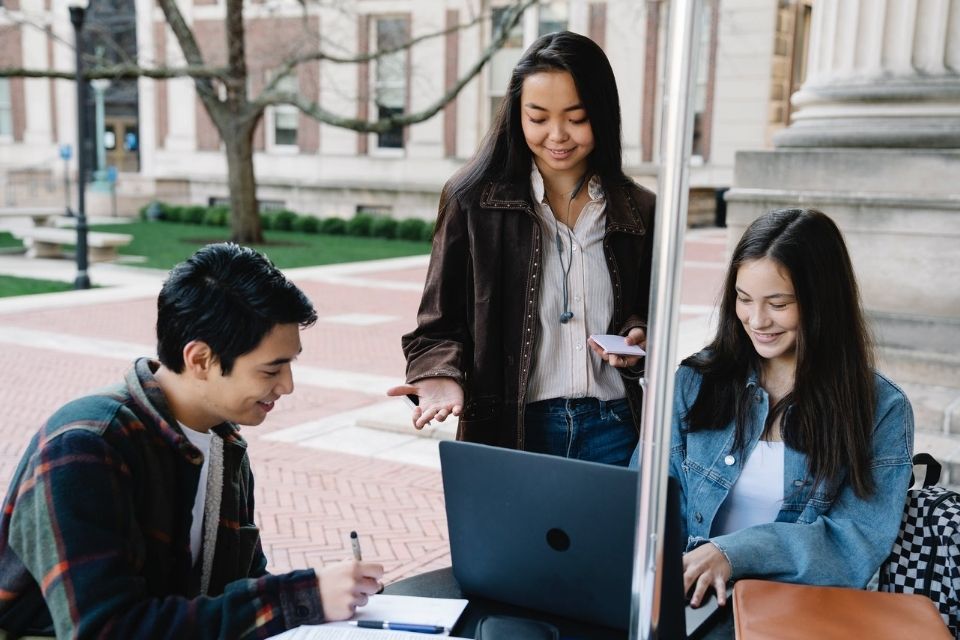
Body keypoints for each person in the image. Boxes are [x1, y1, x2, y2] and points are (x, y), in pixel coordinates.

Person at [0, 243, 384, 638]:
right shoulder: (86, 448)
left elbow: (233, 590)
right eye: (271, 370)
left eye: (290, 364)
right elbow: (106, 629)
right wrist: (297, 597)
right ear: (200, 360)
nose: (287, 386)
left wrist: (317, 599)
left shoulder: (224, 442)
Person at [387, 31, 656, 465]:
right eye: (538, 117)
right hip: (511, 428)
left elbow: (647, 312)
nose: (557, 135)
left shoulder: (639, 209)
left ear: (603, 115)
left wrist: (638, 334)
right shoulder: (471, 200)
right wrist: (440, 374)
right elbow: (436, 325)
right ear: (517, 116)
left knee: (607, 537)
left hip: (616, 428)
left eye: (576, 117)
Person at [638, 208, 913, 611]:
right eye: (744, 299)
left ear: (822, 302)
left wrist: (732, 553)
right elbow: (646, 496)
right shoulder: (696, 381)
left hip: (797, 612)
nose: (757, 320)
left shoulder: (881, 409)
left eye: (778, 303)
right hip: (689, 603)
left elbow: (853, 542)